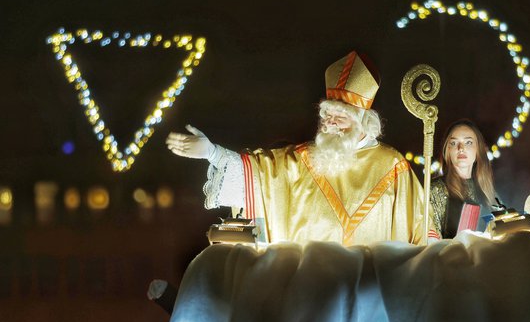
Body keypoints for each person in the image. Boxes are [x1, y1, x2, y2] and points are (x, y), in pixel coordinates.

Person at [167, 51, 430, 246]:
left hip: (373, 295)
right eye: (327, 114)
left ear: (364, 120)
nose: (329, 123)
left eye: (339, 115)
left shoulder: (393, 166)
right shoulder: (303, 159)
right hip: (310, 294)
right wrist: (212, 152)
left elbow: (422, 230)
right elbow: (261, 175)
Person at [429, 119, 499, 239]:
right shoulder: (435, 190)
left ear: (478, 150)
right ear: (448, 151)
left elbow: (506, 231)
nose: (461, 148)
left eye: (468, 142)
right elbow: (430, 241)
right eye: (454, 143)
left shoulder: (488, 192)